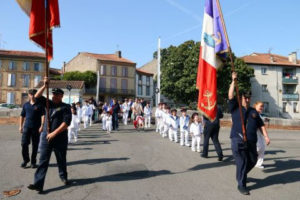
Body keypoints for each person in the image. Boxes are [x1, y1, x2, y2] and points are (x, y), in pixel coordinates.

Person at [228, 72, 270, 195]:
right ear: (241, 98)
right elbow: (231, 95)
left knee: (253, 160)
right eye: (245, 97)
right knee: (242, 161)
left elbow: (261, 125)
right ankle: (241, 185)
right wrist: (233, 81)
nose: (247, 99)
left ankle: (241, 174)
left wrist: (266, 136)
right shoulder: (235, 107)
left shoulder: (253, 112)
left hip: (251, 142)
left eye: (248, 97)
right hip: (238, 140)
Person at [28, 77, 72, 193]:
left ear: (62, 96)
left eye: (57, 94)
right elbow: (36, 97)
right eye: (53, 94)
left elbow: (66, 123)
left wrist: (54, 133)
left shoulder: (65, 107)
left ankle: (63, 176)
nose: (54, 96)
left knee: (61, 160)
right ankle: (38, 184)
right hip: (46, 138)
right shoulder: (48, 104)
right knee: (43, 161)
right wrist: (45, 86)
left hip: (60, 139)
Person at [19, 89, 45, 168]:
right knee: (24, 144)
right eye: (31, 94)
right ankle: (25, 160)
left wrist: (42, 126)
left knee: (35, 145)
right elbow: (22, 115)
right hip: (27, 127)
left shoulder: (40, 105)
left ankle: (33, 162)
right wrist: (20, 126)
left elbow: (43, 115)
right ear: (29, 95)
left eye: (34, 94)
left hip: (36, 128)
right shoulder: (26, 105)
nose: (32, 96)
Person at [253, 101, 270, 169]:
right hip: (255, 133)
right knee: (258, 148)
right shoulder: (254, 113)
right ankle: (253, 161)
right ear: (255, 106)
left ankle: (258, 163)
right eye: (260, 106)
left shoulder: (259, 114)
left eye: (262, 106)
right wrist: (266, 136)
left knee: (262, 148)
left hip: (260, 134)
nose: (262, 107)